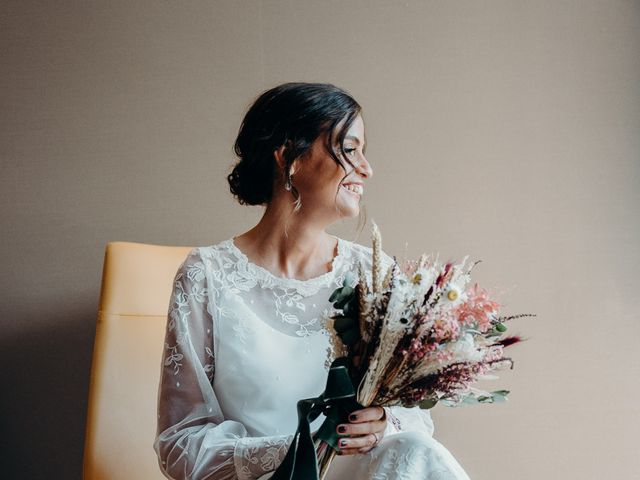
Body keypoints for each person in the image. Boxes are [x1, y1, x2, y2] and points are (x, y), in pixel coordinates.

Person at [153, 82, 471, 480]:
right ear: (290, 158)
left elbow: (415, 421)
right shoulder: (206, 276)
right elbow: (181, 444)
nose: (367, 169)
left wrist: (383, 422)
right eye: (350, 149)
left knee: (413, 448)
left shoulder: (372, 274)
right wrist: (299, 447)